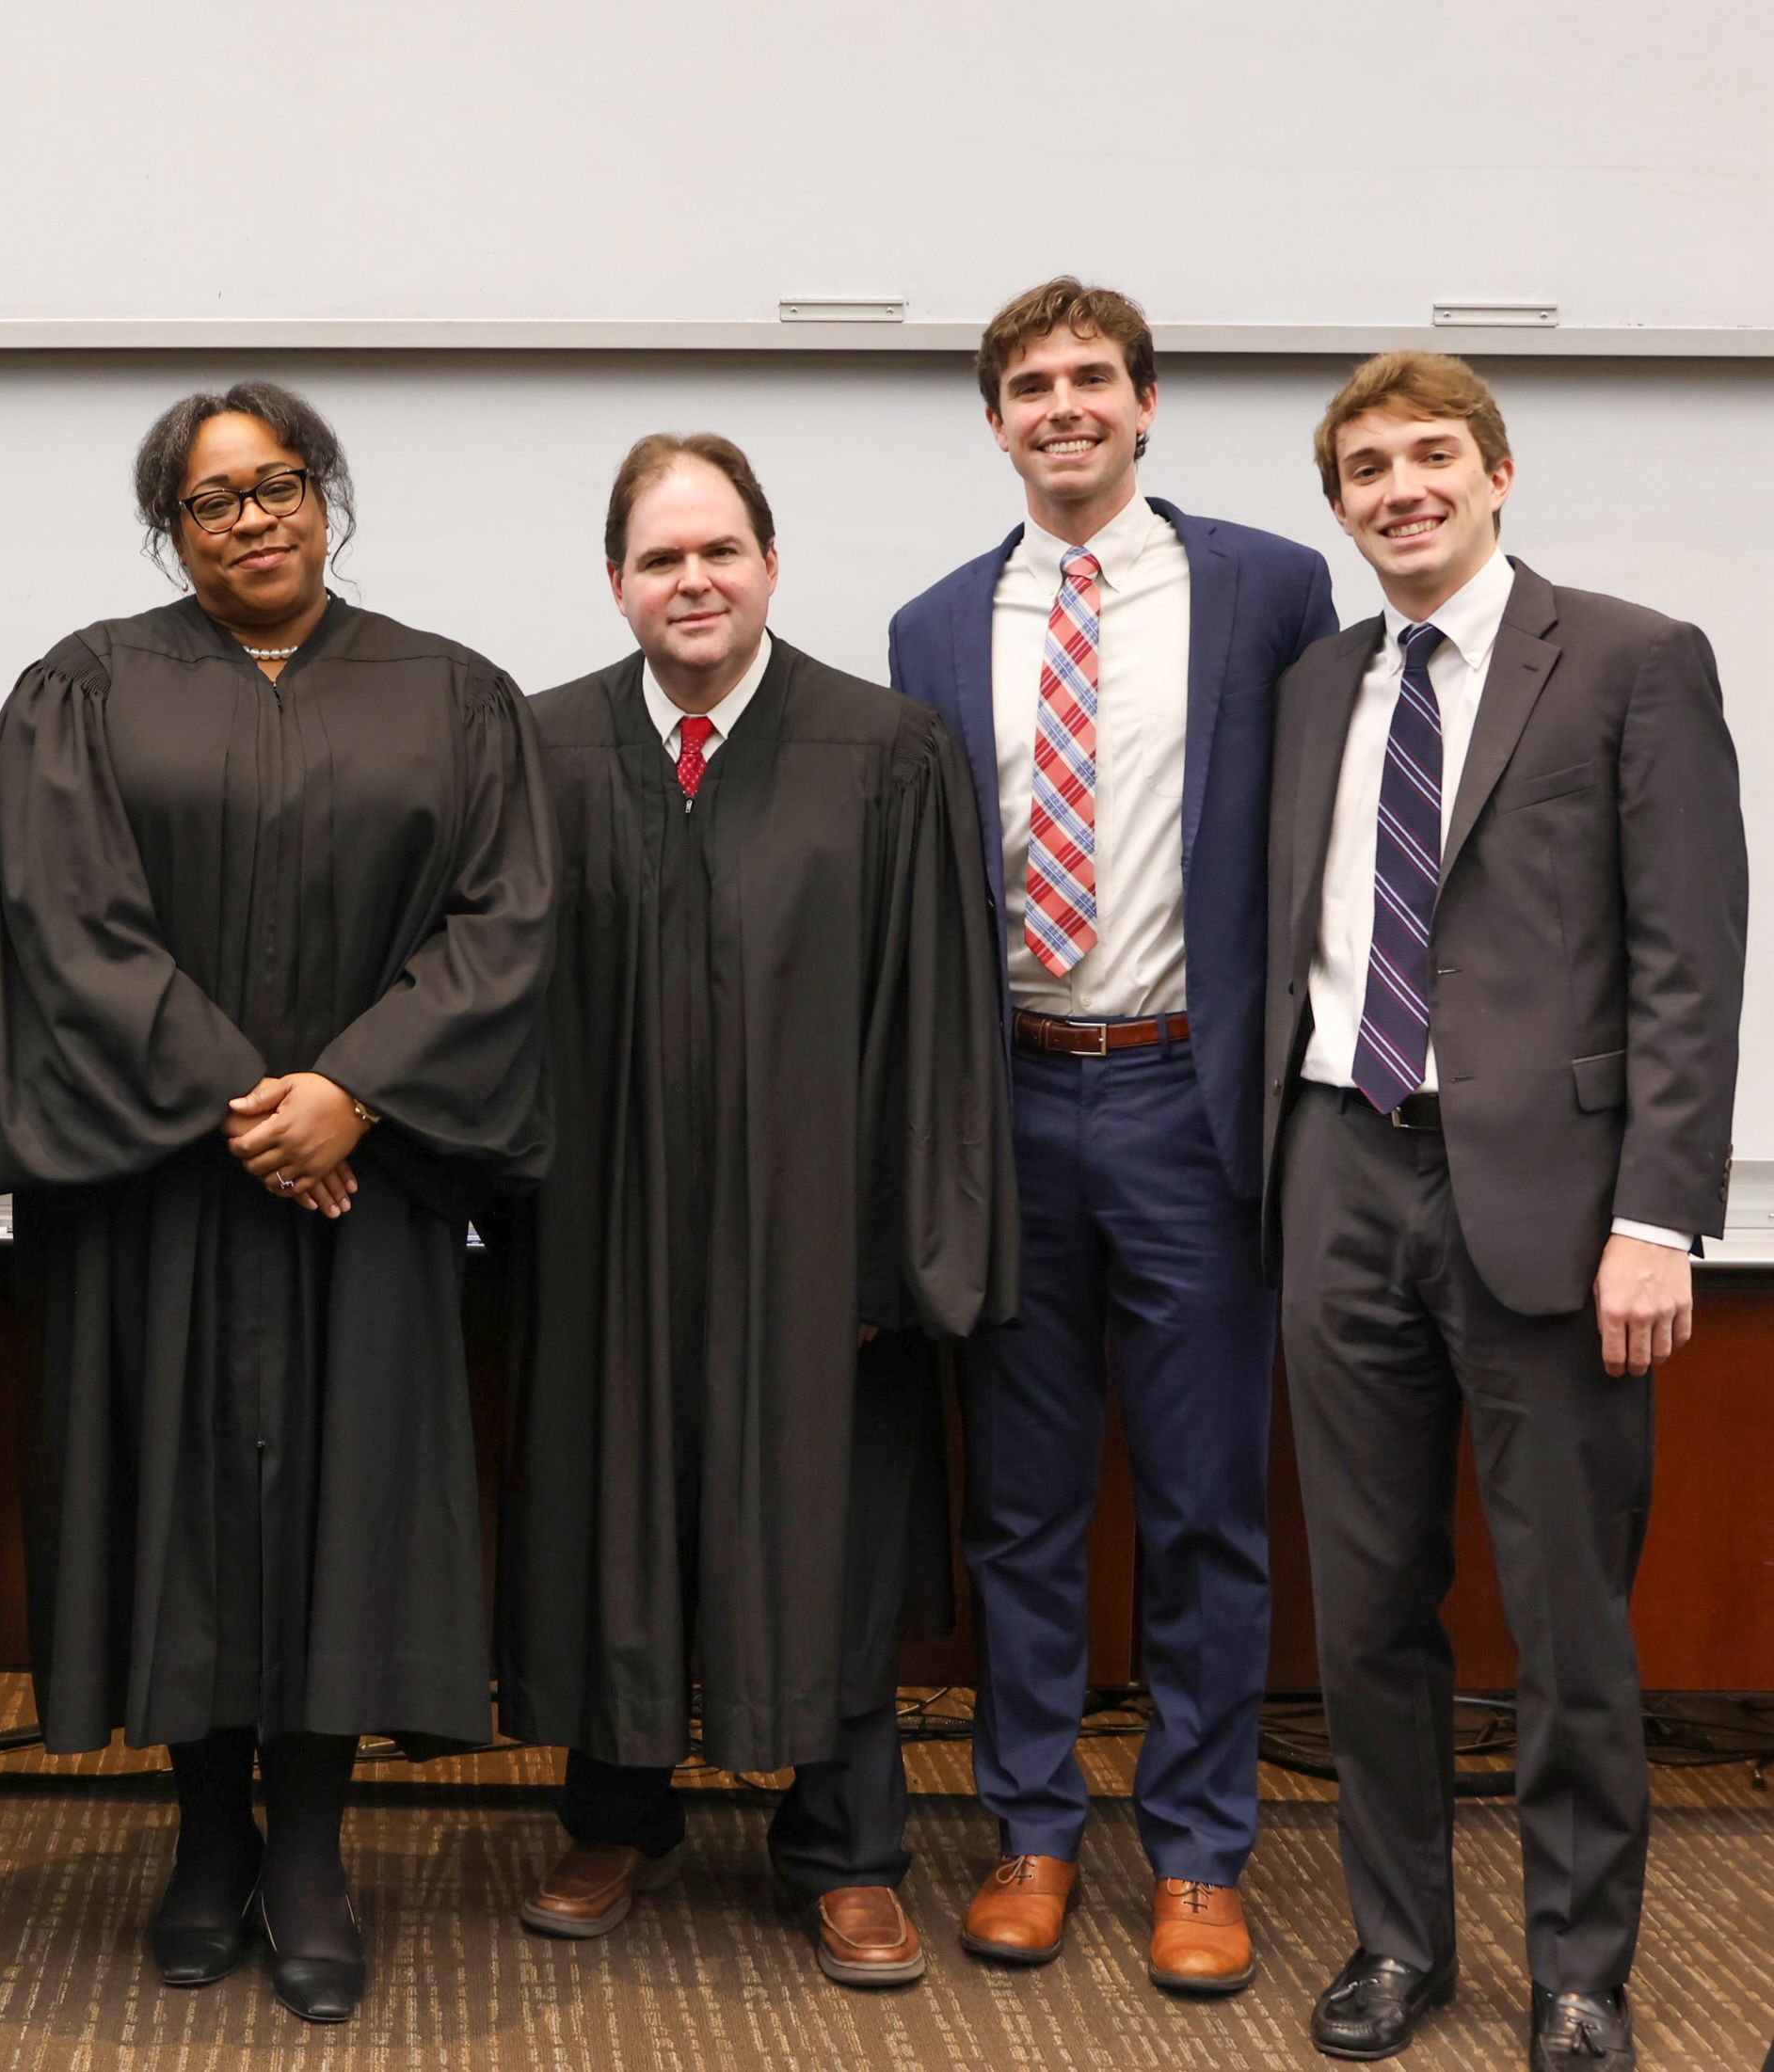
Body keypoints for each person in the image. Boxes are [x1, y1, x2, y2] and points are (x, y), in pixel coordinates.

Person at [0, 380, 553, 2025]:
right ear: (173, 524)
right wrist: (252, 1099)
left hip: (360, 1183)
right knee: (177, 1506)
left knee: (341, 1511)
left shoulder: (454, 693)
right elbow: (63, 912)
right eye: (213, 496)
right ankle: (200, 1837)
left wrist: (350, 1092)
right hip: (164, 1177)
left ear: (328, 496)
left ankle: (309, 1848)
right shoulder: (88, 686)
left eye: (281, 483)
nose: (254, 516)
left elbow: (504, 925)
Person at [1266, 352, 1743, 2072]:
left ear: (1499, 473)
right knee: (1367, 1606)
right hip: (1338, 1169)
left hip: (1555, 1206)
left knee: (1570, 1617)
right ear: (1339, 504)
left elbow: (1693, 958)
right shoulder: (1317, 683)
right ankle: (1398, 1941)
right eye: (1366, 467)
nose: (1401, 488)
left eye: (1431, 457)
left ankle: (1579, 1968)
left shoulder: (1630, 660)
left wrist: (1659, 1217)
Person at [502, 435, 1013, 1988]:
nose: (694, 581)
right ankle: (618, 1814)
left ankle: (849, 1850)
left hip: (817, 1243)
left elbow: (935, 1017)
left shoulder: (886, 751)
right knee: (616, 1510)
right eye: (660, 559)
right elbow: (491, 1006)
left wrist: (893, 1250)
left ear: (771, 563)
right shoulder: (541, 753)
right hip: (606, 1232)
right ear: (616, 583)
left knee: (829, 1532)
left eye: (718, 550)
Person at [888, 277, 1336, 1992]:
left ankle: (1204, 1849)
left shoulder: (1266, 589)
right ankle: (1030, 1823)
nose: (1060, 404)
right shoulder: (936, 623)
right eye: (1027, 383)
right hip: (1008, 1102)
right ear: (994, 421)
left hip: (1185, 1100)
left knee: (1209, 1500)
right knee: (1020, 1499)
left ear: (1146, 404)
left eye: (1091, 377)